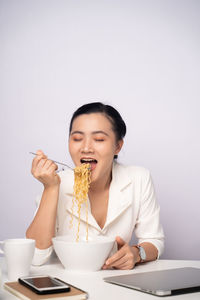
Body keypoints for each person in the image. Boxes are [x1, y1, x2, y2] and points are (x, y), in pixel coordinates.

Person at [26, 102, 164, 269]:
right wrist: (50, 188)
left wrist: (136, 254)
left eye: (98, 139)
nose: (85, 148)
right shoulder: (55, 182)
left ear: (118, 146)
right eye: (77, 138)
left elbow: (154, 241)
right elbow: (35, 256)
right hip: (69, 283)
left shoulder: (139, 178)